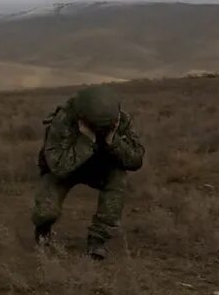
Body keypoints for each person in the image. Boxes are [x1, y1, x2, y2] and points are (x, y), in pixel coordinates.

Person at [31, 84, 145, 260]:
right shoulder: (63, 121)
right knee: (45, 212)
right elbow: (59, 168)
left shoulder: (119, 120)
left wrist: (112, 142)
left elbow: (136, 160)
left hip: (100, 168)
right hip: (66, 168)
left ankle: (98, 241)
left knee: (118, 178)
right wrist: (86, 140)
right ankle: (43, 231)